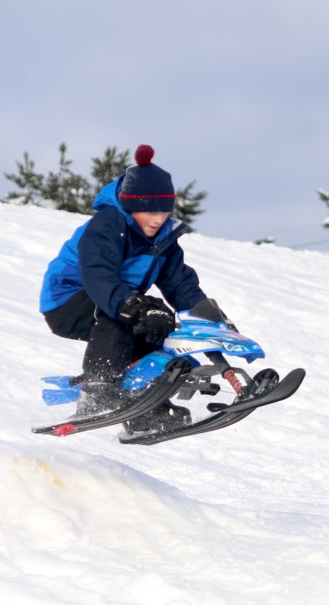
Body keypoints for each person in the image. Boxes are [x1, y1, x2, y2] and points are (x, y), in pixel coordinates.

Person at [39, 144, 227, 431]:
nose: (158, 219)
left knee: (158, 322)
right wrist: (131, 305)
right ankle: (98, 389)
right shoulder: (107, 225)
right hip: (68, 299)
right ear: (130, 206)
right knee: (130, 314)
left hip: (115, 298)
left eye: (164, 211)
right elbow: (99, 276)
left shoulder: (163, 238)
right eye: (149, 211)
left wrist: (210, 317)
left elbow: (180, 284)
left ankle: (145, 409)